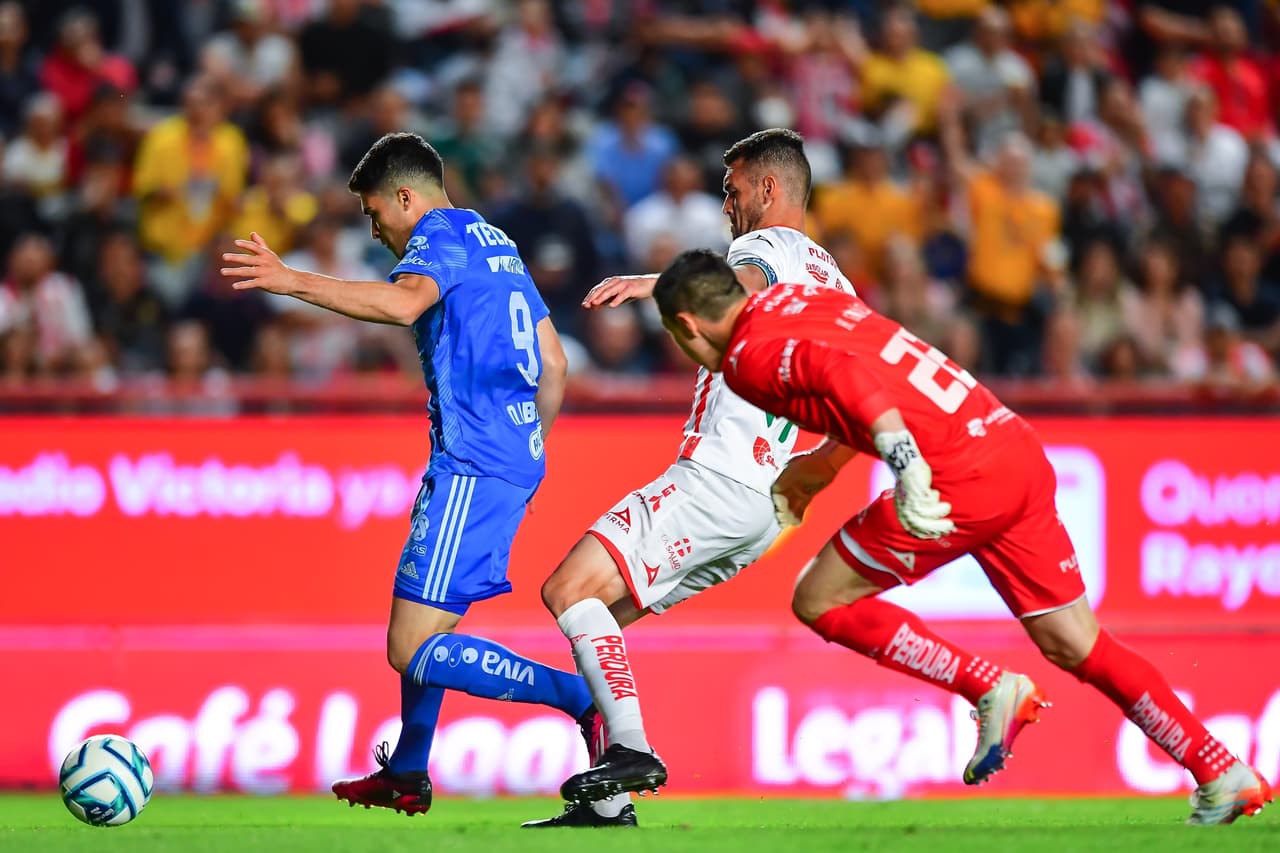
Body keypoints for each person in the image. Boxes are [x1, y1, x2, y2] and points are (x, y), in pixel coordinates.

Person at [650, 248, 1273, 827]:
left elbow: (842, 373)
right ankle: (1220, 769)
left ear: (686, 325)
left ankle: (988, 687)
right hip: (1008, 445)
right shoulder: (803, 298)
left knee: (819, 599)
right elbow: (868, 372)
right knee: (1076, 642)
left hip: (953, 475)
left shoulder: (747, 358)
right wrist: (823, 466)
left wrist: (905, 464)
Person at [220, 132, 599, 818]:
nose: (376, 231)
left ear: (405, 197)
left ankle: (585, 701)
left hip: (473, 461)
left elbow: (402, 306)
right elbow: (556, 362)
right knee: (426, 620)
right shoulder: (496, 241)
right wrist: (528, 453)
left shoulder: (439, 235)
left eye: (374, 214)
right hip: (506, 458)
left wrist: (290, 280)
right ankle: (408, 769)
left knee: (411, 647)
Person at [532, 128, 855, 827]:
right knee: (599, 624)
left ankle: (633, 751)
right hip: (765, 509)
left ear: (769, 188)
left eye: (732, 190)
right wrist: (817, 471)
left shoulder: (764, 246)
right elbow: (862, 398)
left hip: (718, 475)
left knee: (568, 589)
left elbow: (741, 286)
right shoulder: (839, 286)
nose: (726, 205)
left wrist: (653, 283)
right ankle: (608, 802)